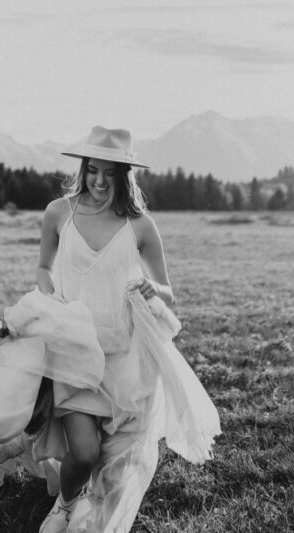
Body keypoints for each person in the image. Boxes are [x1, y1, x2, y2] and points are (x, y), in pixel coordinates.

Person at [30, 126, 221, 532]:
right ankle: (66, 503)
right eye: (93, 170)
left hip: (123, 356)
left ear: (124, 175)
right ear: (83, 168)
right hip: (73, 351)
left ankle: (95, 507)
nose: (99, 181)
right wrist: (48, 297)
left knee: (115, 458)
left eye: (110, 173)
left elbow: (167, 292)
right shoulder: (59, 212)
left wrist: (155, 288)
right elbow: (44, 266)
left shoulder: (140, 226)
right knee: (82, 453)